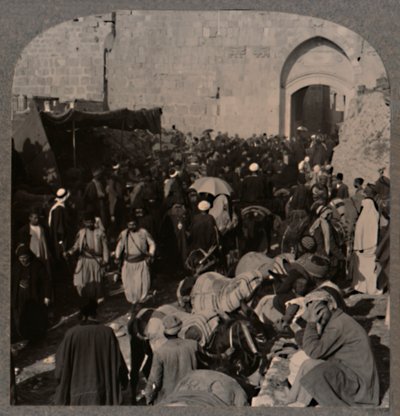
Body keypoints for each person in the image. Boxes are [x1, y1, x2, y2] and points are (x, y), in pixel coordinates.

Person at [286, 290, 379, 407]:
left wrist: (311, 323)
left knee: (316, 372)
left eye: (320, 311)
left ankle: (301, 404)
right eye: (313, 313)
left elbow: (313, 352)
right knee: (308, 365)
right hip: (350, 372)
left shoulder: (337, 325)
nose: (317, 316)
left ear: (330, 306)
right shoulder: (336, 319)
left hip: (360, 387)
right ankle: (294, 404)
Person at [54, 298, 129, 405]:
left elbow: (60, 366)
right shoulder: (107, 333)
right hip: (103, 394)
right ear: (96, 312)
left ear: (81, 314)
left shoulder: (71, 334)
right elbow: (118, 363)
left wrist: (60, 382)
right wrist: (123, 381)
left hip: (77, 395)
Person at [144, 315, 198, 405]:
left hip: (169, 398)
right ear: (179, 330)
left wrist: (149, 396)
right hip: (192, 396)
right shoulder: (193, 345)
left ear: (165, 332)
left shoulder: (160, 352)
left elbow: (155, 381)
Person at [64, 211, 109, 301]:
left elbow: (105, 248)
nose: (89, 224)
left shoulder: (100, 233)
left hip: (96, 260)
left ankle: (96, 300)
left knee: (97, 282)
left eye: (90, 222)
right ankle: (85, 297)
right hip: (84, 260)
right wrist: (69, 252)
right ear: (84, 222)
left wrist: (105, 260)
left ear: (94, 222)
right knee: (80, 280)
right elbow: (76, 245)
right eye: (87, 222)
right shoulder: (81, 233)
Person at [11, 244, 51, 341]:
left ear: (29, 256)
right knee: (21, 318)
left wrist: (47, 296)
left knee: (34, 317)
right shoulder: (16, 266)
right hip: (20, 299)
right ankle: (23, 336)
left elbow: (46, 282)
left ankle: (36, 337)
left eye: (25, 258)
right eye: (21, 258)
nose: (23, 260)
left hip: (34, 297)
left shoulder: (37, 265)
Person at [114, 214, 156, 305]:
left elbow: (152, 243)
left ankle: (141, 302)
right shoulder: (124, 233)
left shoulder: (143, 232)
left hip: (141, 263)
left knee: (142, 284)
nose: (131, 226)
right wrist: (117, 256)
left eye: (133, 224)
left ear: (137, 224)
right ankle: (133, 302)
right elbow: (120, 246)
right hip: (128, 263)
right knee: (129, 285)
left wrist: (151, 253)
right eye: (129, 225)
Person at [351, 198, 382, 295]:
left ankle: (361, 287)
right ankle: (371, 289)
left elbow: (359, 233)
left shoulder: (362, 218)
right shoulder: (376, 215)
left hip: (362, 249)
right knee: (371, 270)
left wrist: (358, 246)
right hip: (372, 247)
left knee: (361, 269)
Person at [18, 207, 51, 276]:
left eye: (38, 218)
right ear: (30, 218)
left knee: (44, 271)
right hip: (33, 254)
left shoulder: (43, 228)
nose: (37, 219)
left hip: (43, 254)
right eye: (35, 218)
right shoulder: (24, 230)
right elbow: (22, 244)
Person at [48, 188, 73, 264]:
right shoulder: (59, 210)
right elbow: (60, 230)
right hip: (61, 241)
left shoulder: (56, 206)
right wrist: (62, 246)